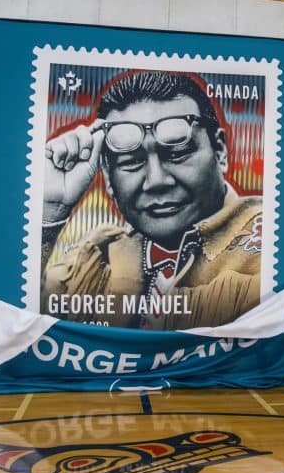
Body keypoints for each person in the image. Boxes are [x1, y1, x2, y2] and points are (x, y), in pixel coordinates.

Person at [41, 70, 263, 330]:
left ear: (220, 151)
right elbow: (13, 324)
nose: (156, 181)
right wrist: (50, 211)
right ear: (108, 178)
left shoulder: (271, 246)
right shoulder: (97, 259)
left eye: (177, 154)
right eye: (131, 161)